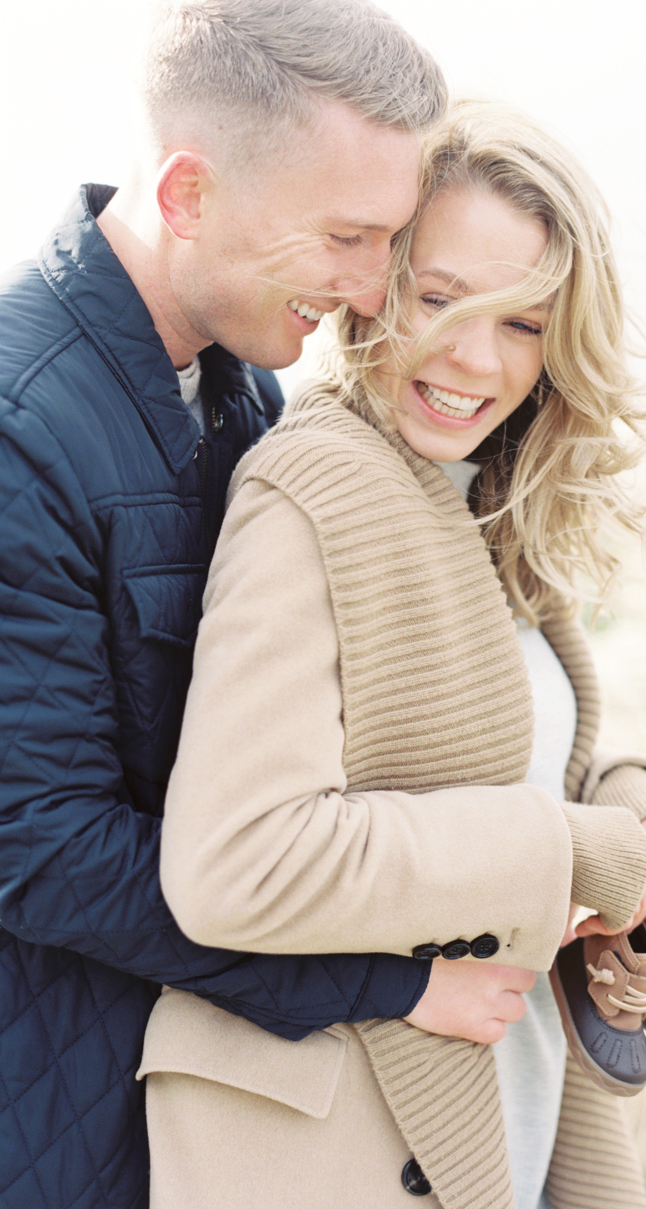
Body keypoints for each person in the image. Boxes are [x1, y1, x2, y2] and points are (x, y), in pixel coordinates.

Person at [142, 99, 646, 1209]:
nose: (471, 356)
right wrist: (574, 850)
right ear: (377, 284)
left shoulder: (490, 501)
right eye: (440, 297)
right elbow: (237, 864)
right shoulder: (312, 489)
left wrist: (637, 812)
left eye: (522, 322)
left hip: (507, 1095)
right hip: (323, 1142)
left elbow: (507, 760)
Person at [0, 3, 448, 1207]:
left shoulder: (243, 392)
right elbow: (38, 849)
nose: (368, 292)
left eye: (389, 243)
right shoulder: (15, 430)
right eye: (347, 237)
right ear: (190, 193)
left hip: (192, 1115)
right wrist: (381, 976)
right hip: (52, 1135)